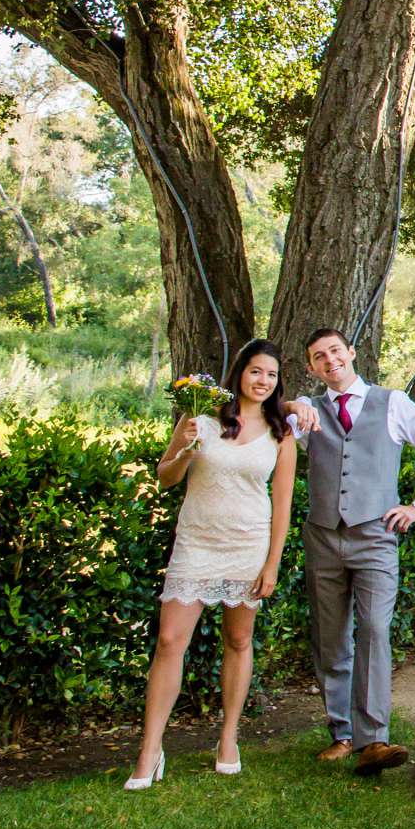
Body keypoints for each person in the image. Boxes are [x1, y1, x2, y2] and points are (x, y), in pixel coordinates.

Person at [126, 338, 305, 788]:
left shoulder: (281, 432)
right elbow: (165, 478)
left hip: (248, 546)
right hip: (197, 543)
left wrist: (272, 564)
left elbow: (281, 505)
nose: (263, 381)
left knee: (239, 641)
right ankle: (151, 750)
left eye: (271, 374)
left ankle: (228, 738)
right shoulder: (200, 417)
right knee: (169, 641)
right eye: (255, 371)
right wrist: (185, 450)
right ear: (239, 373)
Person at [300, 326, 415, 775]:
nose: (329, 361)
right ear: (311, 368)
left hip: (375, 536)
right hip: (324, 536)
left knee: (374, 629)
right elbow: (273, 434)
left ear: (351, 353)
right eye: (318, 357)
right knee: (330, 637)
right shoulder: (307, 412)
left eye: (334, 352)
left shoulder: (392, 403)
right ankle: (342, 734)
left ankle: (375, 739)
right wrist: (290, 406)